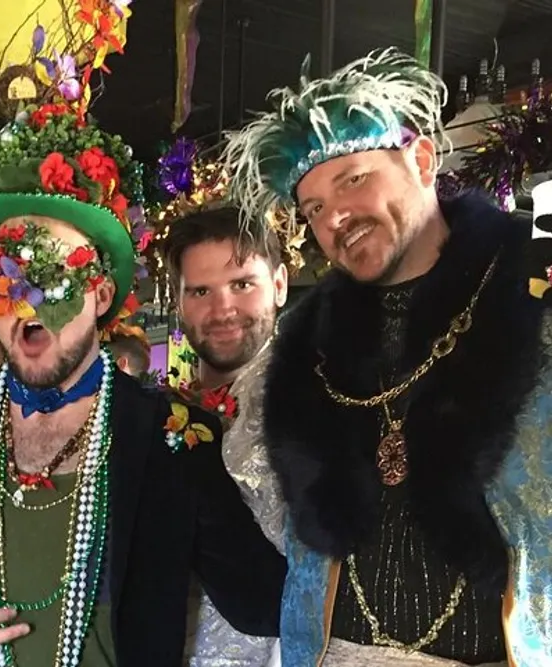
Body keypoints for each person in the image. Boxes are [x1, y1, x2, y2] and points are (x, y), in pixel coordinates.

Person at [0, 18, 286, 663]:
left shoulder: (174, 439)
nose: (24, 299)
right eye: (4, 272)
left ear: (101, 295)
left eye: (50, 272)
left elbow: (261, 600)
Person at [221, 47, 550, 666]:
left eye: (353, 178)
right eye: (314, 207)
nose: (336, 216)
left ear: (422, 160)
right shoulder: (298, 365)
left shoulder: (534, 313)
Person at [160, 205, 289, 667]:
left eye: (241, 284)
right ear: (178, 301)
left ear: (279, 284)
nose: (222, 310)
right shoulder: (162, 414)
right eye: (200, 290)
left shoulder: (318, 404)